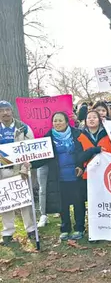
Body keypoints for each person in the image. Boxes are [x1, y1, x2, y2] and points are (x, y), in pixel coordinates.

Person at [30, 112, 86, 241]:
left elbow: (84, 152)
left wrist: (81, 166)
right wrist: (31, 164)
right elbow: (42, 157)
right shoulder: (48, 137)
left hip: (76, 175)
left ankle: (79, 228)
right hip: (58, 176)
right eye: (55, 121)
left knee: (79, 203)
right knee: (63, 204)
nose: (57, 123)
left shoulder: (77, 134)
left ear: (67, 122)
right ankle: (65, 229)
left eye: (60, 120)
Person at [0, 101, 35, 245]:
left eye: (7, 110)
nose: (5, 113)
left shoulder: (23, 127)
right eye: (2, 110)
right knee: (5, 202)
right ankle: (7, 232)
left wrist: (26, 168)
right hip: (2, 171)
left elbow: (31, 149)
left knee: (25, 201)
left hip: (19, 169)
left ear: (12, 111)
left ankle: (31, 229)